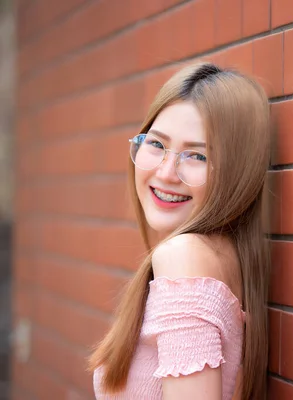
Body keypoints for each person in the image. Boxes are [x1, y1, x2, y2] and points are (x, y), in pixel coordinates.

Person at [88, 63, 271, 400]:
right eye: (156, 145)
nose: (166, 172)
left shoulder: (183, 258)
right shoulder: (224, 256)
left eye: (196, 156)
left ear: (236, 172)